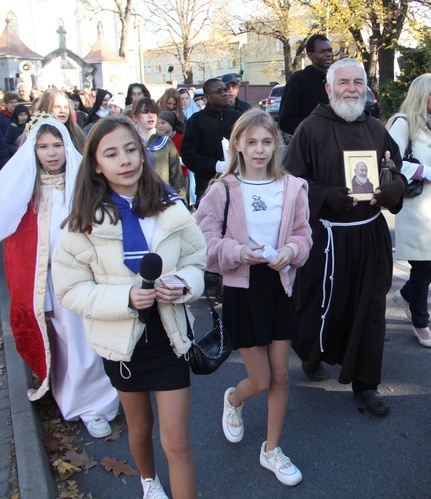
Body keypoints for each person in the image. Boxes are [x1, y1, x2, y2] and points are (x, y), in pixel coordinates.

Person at [52, 115, 206, 499]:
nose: (125, 160)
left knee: (177, 442)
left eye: (131, 149)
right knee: (139, 428)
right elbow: (70, 290)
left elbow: (196, 260)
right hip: (120, 343)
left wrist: (184, 283)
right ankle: (149, 481)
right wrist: (124, 299)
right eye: (112, 153)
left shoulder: (172, 207)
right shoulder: (80, 225)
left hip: (170, 338)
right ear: (96, 164)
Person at [283, 58, 407, 416]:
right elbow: (290, 186)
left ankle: (366, 385)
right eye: (344, 82)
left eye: (358, 82)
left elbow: (398, 171)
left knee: (371, 309)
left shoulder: (376, 128)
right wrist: (323, 196)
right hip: (327, 239)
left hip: (369, 235)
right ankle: (310, 352)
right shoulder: (310, 128)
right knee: (318, 306)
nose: (351, 88)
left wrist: (393, 190)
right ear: (329, 88)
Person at [195, 109, 312, 486]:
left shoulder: (292, 186)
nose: (260, 150)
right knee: (259, 379)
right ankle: (233, 399)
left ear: (277, 144)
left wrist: (291, 253)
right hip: (241, 289)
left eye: (267, 141)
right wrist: (235, 251)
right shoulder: (222, 189)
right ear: (238, 145)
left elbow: (303, 235)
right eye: (252, 142)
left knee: (280, 374)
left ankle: (272, 450)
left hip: (278, 284)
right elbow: (202, 244)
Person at [0, 115, 119, 438]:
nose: (51, 153)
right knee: (63, 342)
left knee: (85, 339)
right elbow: (15, 240)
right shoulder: (24, 188)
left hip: (83, 275)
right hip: (45, 280)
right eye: (43, 147)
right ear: (32, 149)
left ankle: (96, 405)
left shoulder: (83, 184)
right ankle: (74, 399)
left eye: (56, 145)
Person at [386, 73, 431, 348]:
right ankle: (421, 322)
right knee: (423, 267)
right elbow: (390, 161)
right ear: (420, 96)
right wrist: (426, 171)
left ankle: (407, 295)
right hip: (415, 205)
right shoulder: (403, 123)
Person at [182, 78, 241, 203]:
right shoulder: (196, 121)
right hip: (207, 186)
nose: (225, 93)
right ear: (207, 97)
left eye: (225, 90)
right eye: (219, 91)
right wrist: (215, 165)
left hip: (238, 183)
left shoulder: (238, 118)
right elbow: (188, 156)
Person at [279, 34, 334, 136]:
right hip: (311, 143)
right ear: (311, 55)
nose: (328, 54)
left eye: (330, 50)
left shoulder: (337, 78)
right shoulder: (298, 80)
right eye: (322, 51)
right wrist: (313, 132)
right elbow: (286, 120)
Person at [132, 98, 185, 198]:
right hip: (135, 200)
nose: (151, 115)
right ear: (135, 117)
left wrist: (181, 202)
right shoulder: (128, 141)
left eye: (154, 112)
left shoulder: (165, 142)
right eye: (145, 112)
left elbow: (177, 178)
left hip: (161, 199)